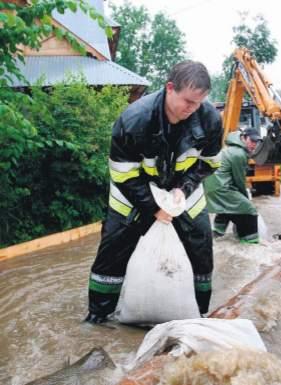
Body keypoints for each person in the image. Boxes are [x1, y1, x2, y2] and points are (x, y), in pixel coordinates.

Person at [85, 61, 223, 324]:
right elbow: (124, 174)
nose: (192, 109)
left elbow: (210, 163)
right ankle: (98, 316)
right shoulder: (135, 120)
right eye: (187, 102)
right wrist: (153, 207)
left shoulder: (210, 120)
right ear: (170, 88)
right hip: (134, 190)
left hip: (183, 191)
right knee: (114, 248)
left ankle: (198, 314)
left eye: (199, 103)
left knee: (201, 244)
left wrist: (185, 187)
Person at [204, 128, 261, 244]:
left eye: (256, 142)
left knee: (228, 207)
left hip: (212, 187)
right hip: (221, 187)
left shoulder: (230, 149)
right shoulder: (239, 153)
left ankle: (215, 236)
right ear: (244, 138)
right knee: (249, 210)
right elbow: (239, 180)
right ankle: (250, 244)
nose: (254, 145)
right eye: (252, 141)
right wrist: (245, 199)